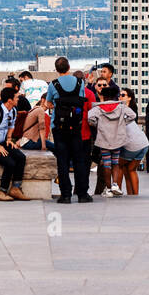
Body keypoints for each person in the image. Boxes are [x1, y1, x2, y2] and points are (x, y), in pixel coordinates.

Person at [46, 57, 91, 203]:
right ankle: (82, 194)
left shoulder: (53, 85)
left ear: (56, 69)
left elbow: (48, 103)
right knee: (79, 160)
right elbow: (82, 100)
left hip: (59, 127)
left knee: (62, 161)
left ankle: (65, 194)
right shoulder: (79, 83)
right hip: (76, 126)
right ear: (69, 67)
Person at [88, 84, 135, 197]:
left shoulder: (98, 108)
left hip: (104, 140)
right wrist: (123, 124)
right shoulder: (121, 107)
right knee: (115, 163)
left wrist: (97, 124)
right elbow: (132, 115)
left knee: (106, 164)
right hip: (117, 139)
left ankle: (108, 189)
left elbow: (90, 118)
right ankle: (115, 184)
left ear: (103, 97)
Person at [117, 89, 147, 195]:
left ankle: (117, 191)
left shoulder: (123, 110)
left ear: (129, 97)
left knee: (118, 165)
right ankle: (133, 195)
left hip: (132, 145)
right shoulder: (132, 111)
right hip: (143, 144)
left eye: (123, 95)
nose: (120, 96)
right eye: (119, 95)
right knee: (130, 170)